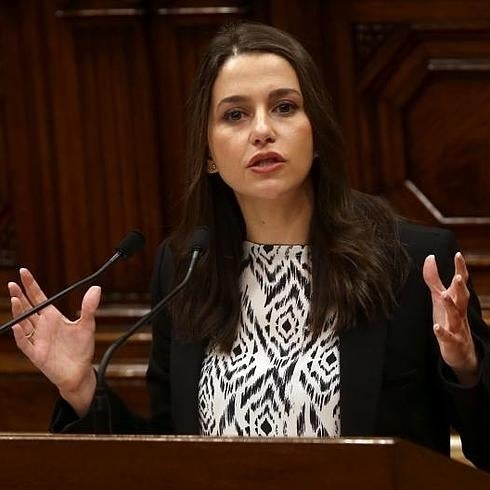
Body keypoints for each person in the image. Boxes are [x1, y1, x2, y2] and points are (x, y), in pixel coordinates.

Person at [7, 22, 490, 469]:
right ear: (209, 153)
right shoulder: (184, 269)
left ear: (315, 132)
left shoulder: (410, 261)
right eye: (235, 114)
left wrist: (465, 366)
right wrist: (81, 389)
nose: (262, 130)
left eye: (284, 107)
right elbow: (168, 457)